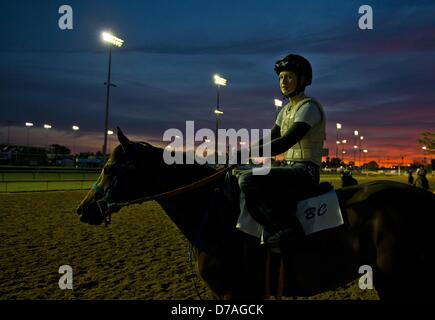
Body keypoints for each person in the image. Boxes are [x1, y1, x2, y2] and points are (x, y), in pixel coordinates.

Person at [238, 54, 326, 245]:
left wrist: (248, 153)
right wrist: (244, 151)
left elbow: (286, 142)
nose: (283, 82)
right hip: (290, 168)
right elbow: (271, 137)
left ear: (302, 80)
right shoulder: (285, 111)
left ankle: (287, 228)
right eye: (280, 77)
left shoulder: (309, 108)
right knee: (237, 175)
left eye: (288, 77)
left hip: (306, 172)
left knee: (249, 179)